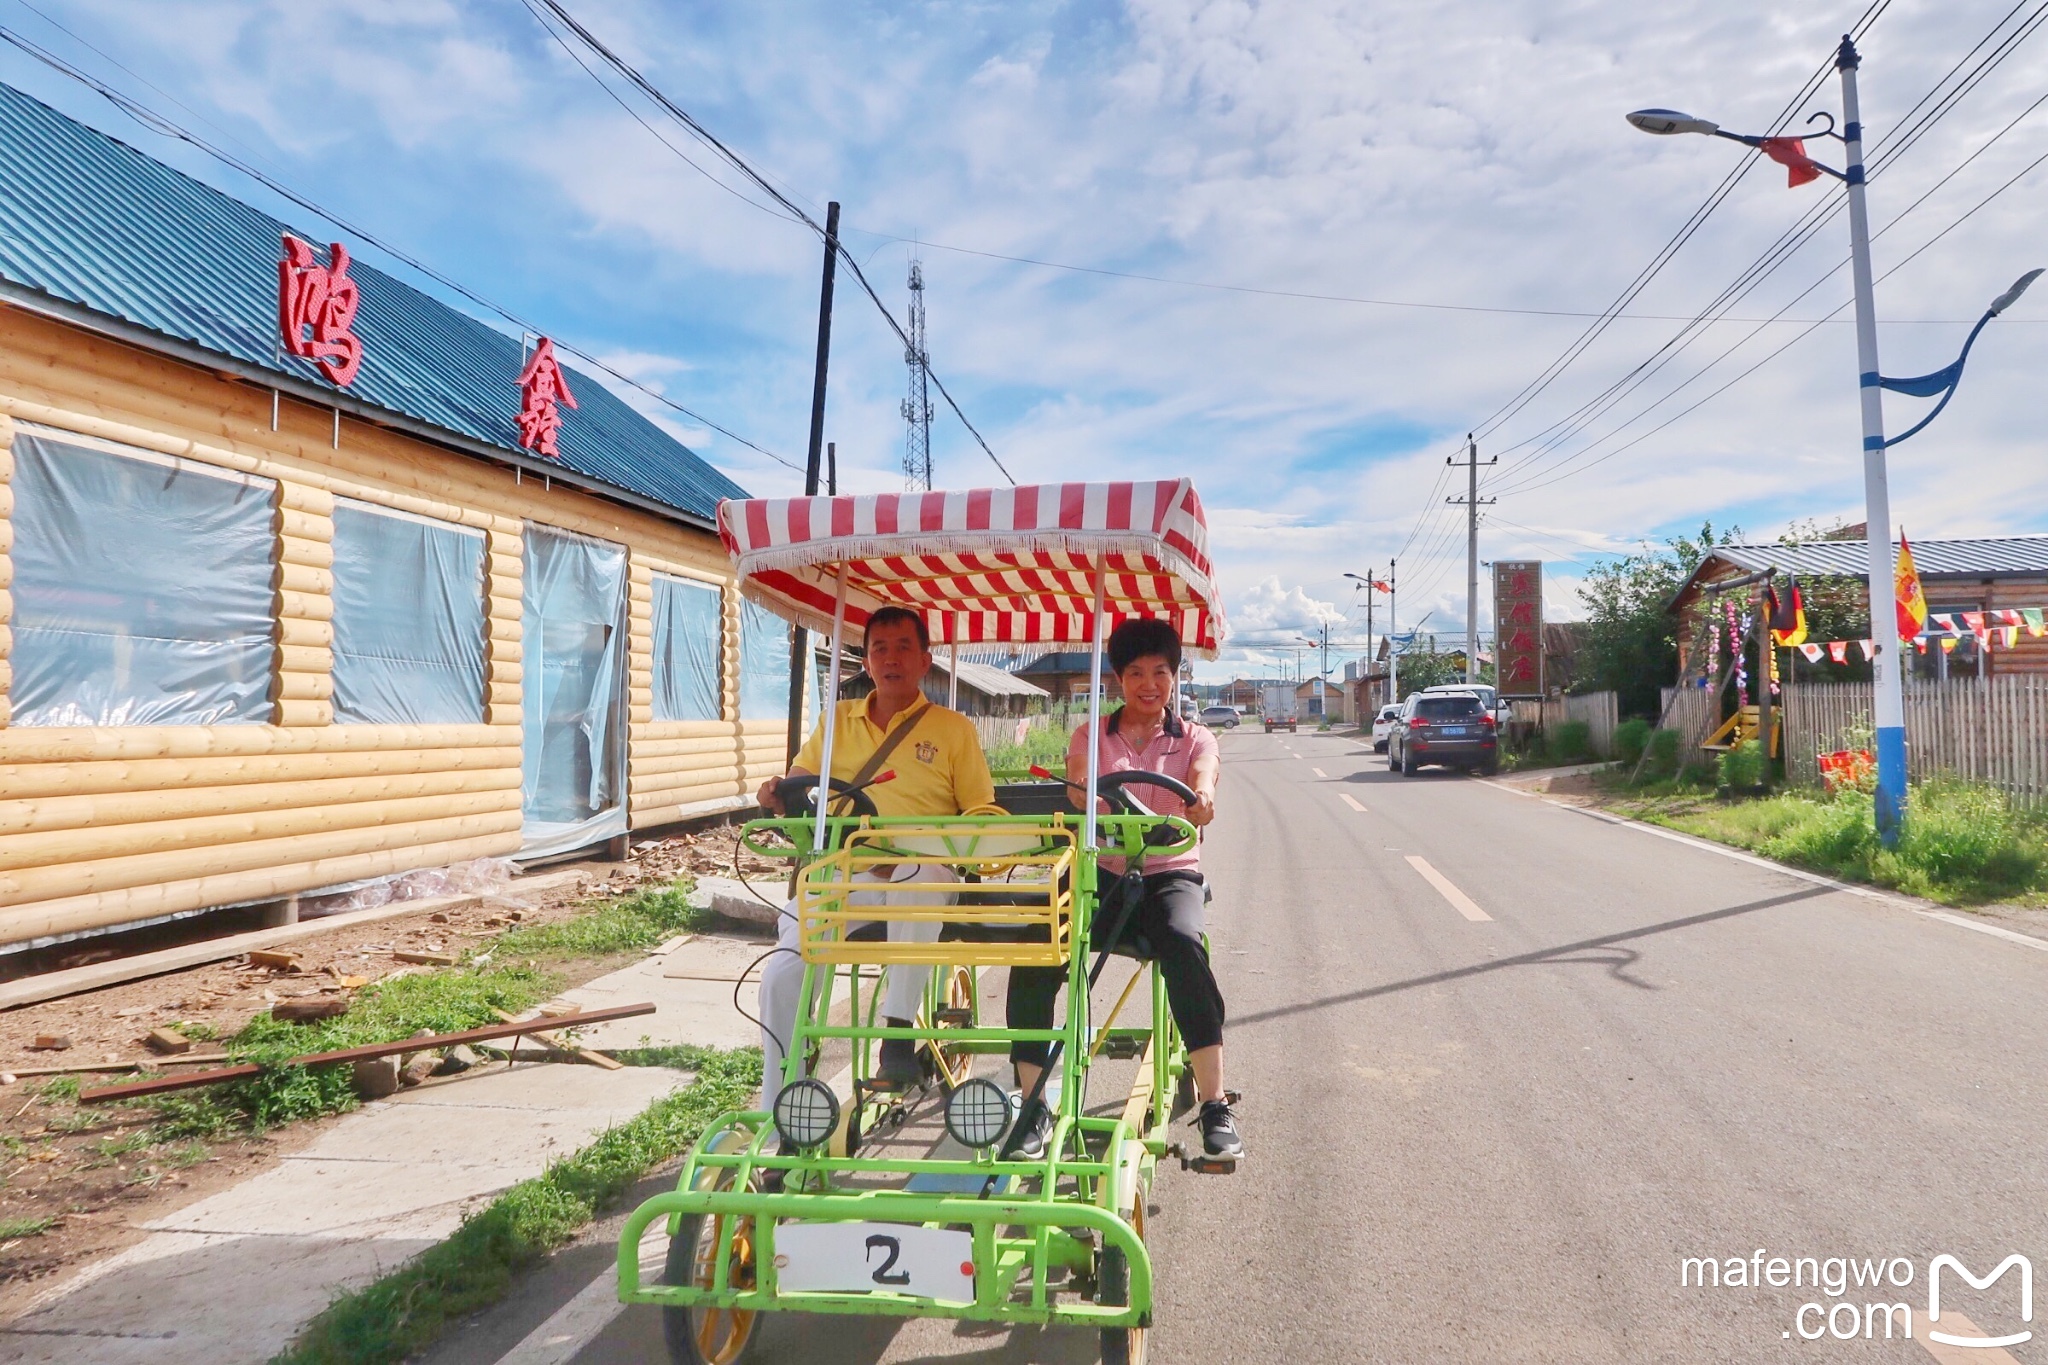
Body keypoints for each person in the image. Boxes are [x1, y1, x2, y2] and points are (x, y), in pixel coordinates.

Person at [1004, 617, 1242, 1161]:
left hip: (1169, 874)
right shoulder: (1093, 736)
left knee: (1185, 944)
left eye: (1160, 671)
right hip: (1101, 874)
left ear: (1175, 675)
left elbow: (1205, 775)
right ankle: (1033, 1104)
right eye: (1135, 672)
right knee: (1037, 946)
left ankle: (1214, 1104)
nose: (1149, 684)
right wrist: (1085, 790)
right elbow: (1078, 778)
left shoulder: (1194, 736)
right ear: (1116, 678)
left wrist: (1201, 797)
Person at [755, 606, 1000, 1108]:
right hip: (844, 876)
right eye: (879, 649)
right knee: (782, 972)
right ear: (865, 661)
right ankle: (779, 1106)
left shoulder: (954, 729)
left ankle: (897, 1036)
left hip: (923, 872)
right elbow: (800, 781)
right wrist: (778, 793)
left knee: (916, 873)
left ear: (926, 660)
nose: (891, 659)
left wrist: (977, 843)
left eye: (903, 647)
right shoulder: (836, 721)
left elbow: (982, 807)